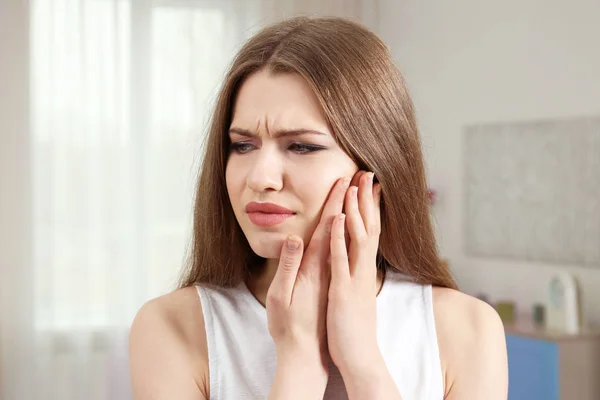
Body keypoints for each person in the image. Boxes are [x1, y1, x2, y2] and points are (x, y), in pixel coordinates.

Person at [129, 16, 508, 400]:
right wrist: (299, 359)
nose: (260, 178)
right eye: (243, 145)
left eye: (301, 146)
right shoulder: (173, 328)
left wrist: (362, 360)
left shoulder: (467, 329)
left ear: (376, 167)